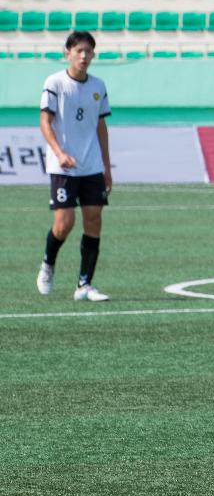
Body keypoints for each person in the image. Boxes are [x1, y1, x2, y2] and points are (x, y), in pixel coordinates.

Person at [36, 31, 112, 302]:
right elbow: (45, 121)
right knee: (63, 224)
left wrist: (106, 167)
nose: (84, 56)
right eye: (79, 51)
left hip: (91, 166)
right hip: (63, 166)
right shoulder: (55, 82)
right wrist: (59, 152)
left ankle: (84, 285)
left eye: (88, 51)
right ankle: (48, 264)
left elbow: (101, 126)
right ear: (67, 52)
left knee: (94, 220)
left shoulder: (98, 86)